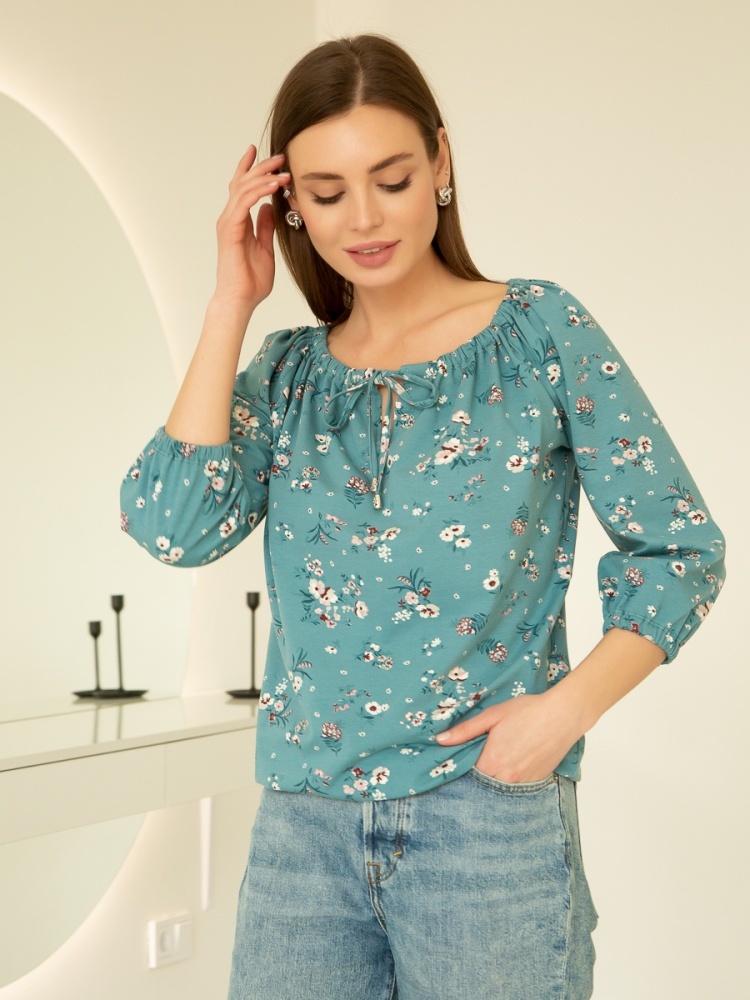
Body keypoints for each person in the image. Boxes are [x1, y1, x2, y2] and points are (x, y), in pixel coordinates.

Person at [120, 34, 725, 1000]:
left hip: (486, 821)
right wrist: (231, 300)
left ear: (441, 163)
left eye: (392, 179)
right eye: (326, 193)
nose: (363, 217)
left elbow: (680, 547)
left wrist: (565, 713)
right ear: (289, 205)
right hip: (302, 828)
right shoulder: (286, 374)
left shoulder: (540, 331)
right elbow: (173, 525)